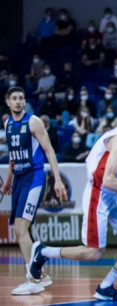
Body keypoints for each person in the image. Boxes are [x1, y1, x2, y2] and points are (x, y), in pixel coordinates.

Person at [28, 100, 117, 301]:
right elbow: (107, 180)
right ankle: (44, 251)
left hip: (114, 193)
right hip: (100, 193)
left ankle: (106, 286)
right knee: (94, 253)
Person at [1, 86, 68, 295]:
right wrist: (8, 181)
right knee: (23, 229)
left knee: (21, 227)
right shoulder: (8, 124)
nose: (19, 101)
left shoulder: (33, 121)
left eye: (22, 98)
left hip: (35, 178)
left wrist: (57, 179)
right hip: (19, 179)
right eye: (15, 98)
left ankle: (34, 278)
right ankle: (42, 275)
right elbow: (13, 156)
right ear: (8, 102)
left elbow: (49, 150)